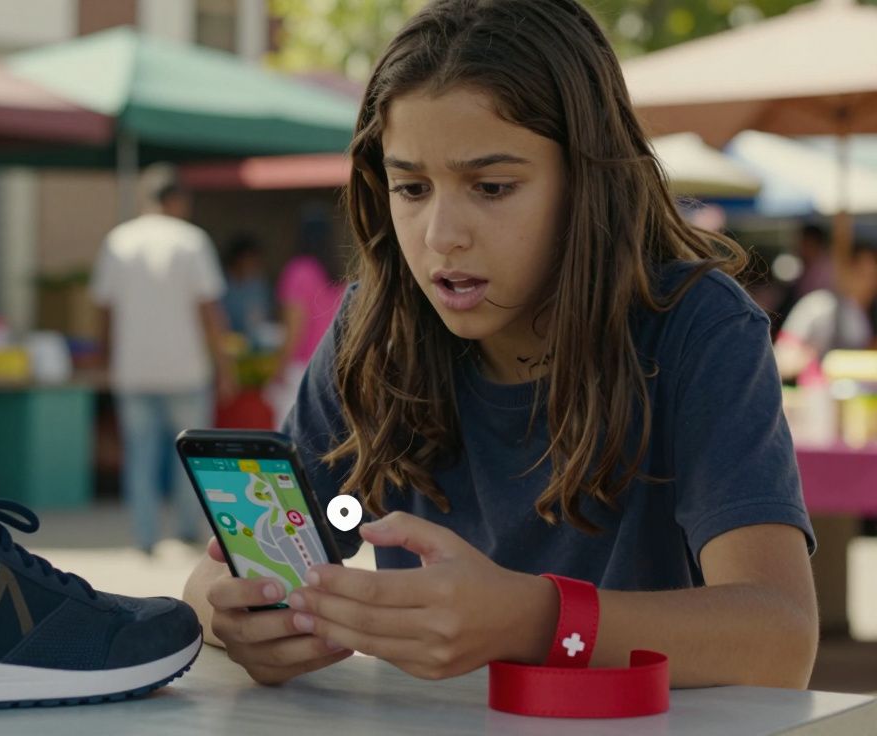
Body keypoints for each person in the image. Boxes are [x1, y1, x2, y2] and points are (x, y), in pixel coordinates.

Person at [183, 0, 817, 690]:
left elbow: (781, 637)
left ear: (588, 182)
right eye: (411, 188)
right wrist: (237, 618)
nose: (441, 235)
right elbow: (216, 579)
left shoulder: (698, 327)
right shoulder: (376, 330)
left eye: (491, 187)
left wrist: (534, 621)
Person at [92, 164, 237, 554]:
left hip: (133, 369)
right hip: (186, 369)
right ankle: (188, 530)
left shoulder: (118, 241)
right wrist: (224, 364)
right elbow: (209, 309)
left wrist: (105, 356)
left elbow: (104, 309)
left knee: (139, 456)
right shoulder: (192, 241)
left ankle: (145, 536)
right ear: (177, 200)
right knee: (191, 456)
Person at [267, 206, 347, 426]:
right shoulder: (337, 273)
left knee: (291, 435)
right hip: (333, 366)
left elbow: (295, 328)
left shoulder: (298, 271)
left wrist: (279, 366)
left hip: (302, 370)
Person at [775, 244, 877, 385]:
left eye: (873, 276)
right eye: (862, 274)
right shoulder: (819, 305)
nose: (869, 283)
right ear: (845, 271)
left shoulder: (865, 316)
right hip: (815, 392)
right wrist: (812, 362)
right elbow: (782, 358)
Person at [221, 233, 273, 350]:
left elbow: (263, 317)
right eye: (249, 259)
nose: (253, 265)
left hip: (255, 347)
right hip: (226, 346)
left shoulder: (258, 285)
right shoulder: (221, 284)